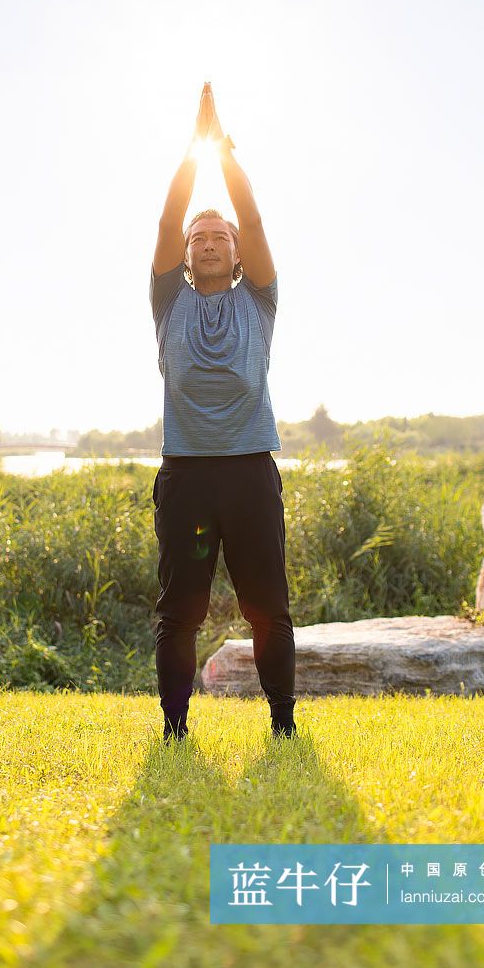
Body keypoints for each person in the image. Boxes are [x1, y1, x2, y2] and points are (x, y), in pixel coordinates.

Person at [149, 82, 297, 742]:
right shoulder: (166, 299)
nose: (207, 241)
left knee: (267, 607)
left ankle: (282, 723)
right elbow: (163, 223)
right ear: (184, 253)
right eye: (198, 235)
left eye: (219, 235)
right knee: (179, 612)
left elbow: (255, 220)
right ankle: (175, 728)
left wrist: (224, 150)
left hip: (248, 472)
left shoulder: (258, 301)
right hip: (186, 473)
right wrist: (191, 151)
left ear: (238, 254)